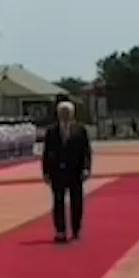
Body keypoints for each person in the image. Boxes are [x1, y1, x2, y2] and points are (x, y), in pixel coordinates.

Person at [41, 100, 93, 244]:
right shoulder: (51, 131)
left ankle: (76, 229)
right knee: (58, 202)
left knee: (77, 202)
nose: (65, 115)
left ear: (72, 114)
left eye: (67, 113)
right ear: (57, 114)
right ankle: (60, 231)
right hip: (57, 172)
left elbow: (86, 152)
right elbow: (46, 153)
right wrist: (45, 172)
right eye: (62, 113)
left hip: (75, 171)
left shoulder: (80, 130)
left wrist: (86, 168)